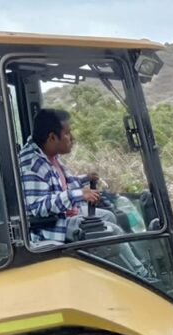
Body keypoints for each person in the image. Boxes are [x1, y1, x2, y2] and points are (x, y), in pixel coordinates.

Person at [19, 108, 149, 276]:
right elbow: (37, 206)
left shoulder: (48, 154)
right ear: (52, 137)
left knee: (110, 216)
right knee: (111, 231)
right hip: (51, 226)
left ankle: (128, 266)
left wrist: (83, 179)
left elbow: (59, 183)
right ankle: (141, 275)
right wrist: (79, 194)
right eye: (67, 133)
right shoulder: (32, 165)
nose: (72, 138)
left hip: (65, 214)